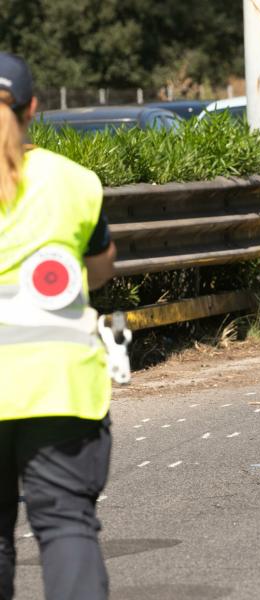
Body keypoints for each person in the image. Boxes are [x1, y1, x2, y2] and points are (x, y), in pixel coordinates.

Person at [0, 53, 117, 600]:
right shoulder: (74, 181)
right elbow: (99, 269)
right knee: (66, 523)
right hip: (60, 388)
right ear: (34, 109)